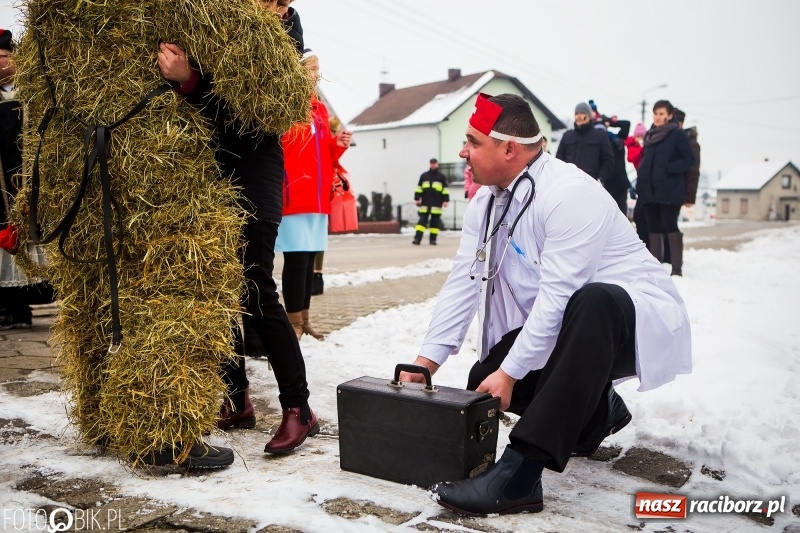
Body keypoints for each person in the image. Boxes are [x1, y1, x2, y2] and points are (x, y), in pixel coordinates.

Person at [399, 93, 691, 517]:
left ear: (509, 149)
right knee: (483, 378)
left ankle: (519, 476)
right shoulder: (486, 201)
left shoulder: (570, 194)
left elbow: (558, 299)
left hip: (633, 321)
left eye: (473, 142)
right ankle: (597, 412)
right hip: (575, 329)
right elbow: (465, 279)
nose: (463, 152)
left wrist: (512, 372)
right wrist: (426, 362)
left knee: (593, 300)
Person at [157, 15, 319, 456]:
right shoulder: (216, 21)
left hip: (253, 182)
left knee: (255, 290)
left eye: (280, 2)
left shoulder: (277, 37)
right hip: (210, 182)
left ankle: (299, 407)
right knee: (218, 292)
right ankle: (236, 398)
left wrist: (191, 81)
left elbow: (248, 115)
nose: (274, 7)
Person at [276, 51, 352, 339]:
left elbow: (325, 155)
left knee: (309, 262)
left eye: (318, 69)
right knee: (296, 260)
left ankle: (304, 320)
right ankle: (293, 322)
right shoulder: (285, 105)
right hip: (294, 194)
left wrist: (338, 143)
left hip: (318, 197)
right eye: (311, 69)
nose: (316, 74)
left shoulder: (319, 108)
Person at [0, 28, 54, 330]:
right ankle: (10, 309)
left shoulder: (33, 92)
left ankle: (28, 306)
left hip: (29, 180)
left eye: (2, 56)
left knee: (33, 239)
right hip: (2, 184)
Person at [636, 100, 696, 276]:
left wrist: (669, 168)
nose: (658, 117)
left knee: (670, 226)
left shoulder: (677, 134)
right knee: (653, 228)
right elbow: (646, 162)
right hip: (649, 190)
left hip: (669, 190)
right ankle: (656, 266)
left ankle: (676, 268)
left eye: (661, 114)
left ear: (669, 115)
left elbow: (689, 160)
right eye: (656, 113)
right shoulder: (650, 135)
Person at [555, 102, 614, 183]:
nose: (579, 116)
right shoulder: (567, 136)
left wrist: (599, 178)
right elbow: (559, 160)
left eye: (582, 113)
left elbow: (608, 161)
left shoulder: (600, 136)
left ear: (589, 116)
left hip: (590, 183)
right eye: (576, 114)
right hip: (568, 182)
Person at [412, 158, 450, 245]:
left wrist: (446, 200)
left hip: (436, 204)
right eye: (431, 163)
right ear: (429, 164)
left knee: (435, 224)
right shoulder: (424, 176)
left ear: (437, 164)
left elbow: (445, 190)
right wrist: (417, 198)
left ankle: (433, 240)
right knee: (421, 223)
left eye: (434, 163)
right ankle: (417, 239)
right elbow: (419, 188)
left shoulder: (441, 177)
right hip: (425, 204)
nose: (433, 165)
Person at [601, 115, 632, 215]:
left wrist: (611, 122)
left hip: (619, 183)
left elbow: (626, 124)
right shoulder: (598, 143)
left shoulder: (617, 139)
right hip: (606, 184)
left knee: (620, 215)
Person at [626, 122, 648, 246]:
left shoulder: (648, 146)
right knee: (639, 216)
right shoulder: (634, 147)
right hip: (641, 178)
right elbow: (631, 158)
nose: (640, 138)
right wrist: (641, 149)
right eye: (638, 136)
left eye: (642, 136)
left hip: (647, 179)